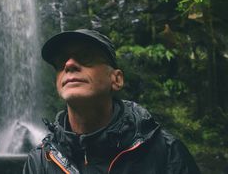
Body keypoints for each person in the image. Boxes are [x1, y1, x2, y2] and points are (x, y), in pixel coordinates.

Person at [23, 29, 200, 174]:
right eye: (61, 62)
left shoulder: (166, 152)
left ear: (116, 79)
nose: (69, 64)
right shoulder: (41, 161)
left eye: (86, 57)